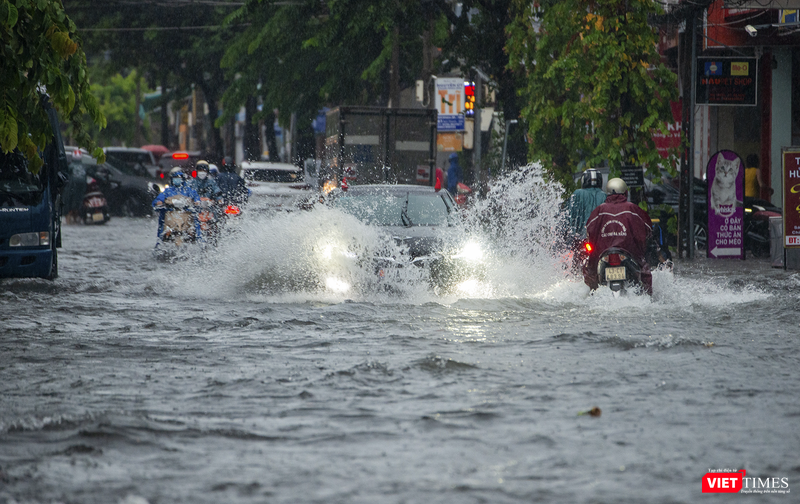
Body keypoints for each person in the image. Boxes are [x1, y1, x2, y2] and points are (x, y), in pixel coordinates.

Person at [583, 177, 654, 295]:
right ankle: (648, 298)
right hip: (630, 253)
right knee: (645, 274)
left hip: (603, 254)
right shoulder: (632, 209)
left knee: (590, 271)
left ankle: (592, 294)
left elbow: (589, 231)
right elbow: (647, 228)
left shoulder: (599, 210)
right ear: (625, 192)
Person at [152, 167, 202, 242]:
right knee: (163, 227)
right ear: (172, 179)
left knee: (195, 226)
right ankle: (160, 245)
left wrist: (197, 202)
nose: (177, 179)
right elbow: (159, 199)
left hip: (186, 216)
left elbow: (196, 198)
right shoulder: (168, 190)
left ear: (183, 178)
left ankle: (199, 243)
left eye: (179, 177)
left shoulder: (188, 190)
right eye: (175, 177)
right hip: (171, 217)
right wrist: (159, 202)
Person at [567, 168, 606, 241]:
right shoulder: (604, 195)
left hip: (581, 237)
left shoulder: (577, 193)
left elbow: (570, 215)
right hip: (600, 238)